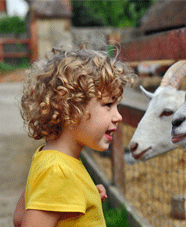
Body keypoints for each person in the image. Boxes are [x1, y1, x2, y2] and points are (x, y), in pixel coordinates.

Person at [13, 47, 135, 226]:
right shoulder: (58, 171)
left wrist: (83, 194)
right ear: (68, 107)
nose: (118, 116)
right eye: (108, 104)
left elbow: (19, 218)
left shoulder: (47, 158)